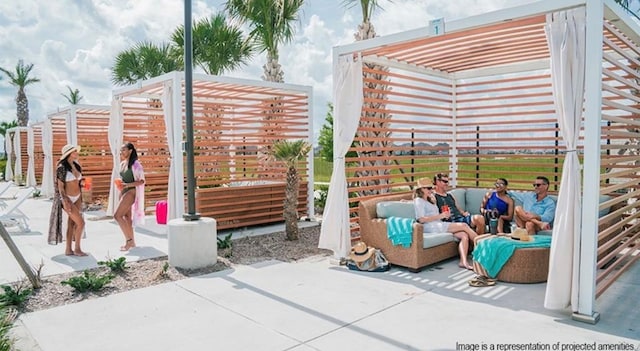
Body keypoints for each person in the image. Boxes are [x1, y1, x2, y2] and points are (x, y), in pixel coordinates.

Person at [414, 178, 478, 270]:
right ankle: (483, 245)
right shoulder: (419, 201)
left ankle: (463, 262)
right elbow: (421, 219)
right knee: (464, 226)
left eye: (431, 188)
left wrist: (444, 216)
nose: (431, 190)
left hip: (438, 223)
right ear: (421, 189)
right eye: (428, 188)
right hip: (429, 226)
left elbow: (436, 214)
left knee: (464, 235)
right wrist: (440, 216)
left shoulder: (430, 199)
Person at [47, 144, 86, 256]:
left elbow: (78, 181)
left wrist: (82, 183)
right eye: (74, 152)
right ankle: (77, 248)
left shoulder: (77, 166)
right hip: (67, 198)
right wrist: (64, 201)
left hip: (78, 197)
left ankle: (68, 250)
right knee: (81, 223)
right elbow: (60, 188)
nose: (77, 153)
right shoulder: (61, 168)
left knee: (72, 223)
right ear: (69, 154)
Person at [114, 142, 145, 251]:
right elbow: (124, 178)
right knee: (127, 218)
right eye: (121, 150)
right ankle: (133, 242)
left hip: (131, 192)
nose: (122, 152)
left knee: (117, 216)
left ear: (130, 151)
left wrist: (128, 185)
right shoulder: (123, 164)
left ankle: (129, 241)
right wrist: (120, 184)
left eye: (124, 150)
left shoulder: (136, 164)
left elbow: (141, 181)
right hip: (123, 191)